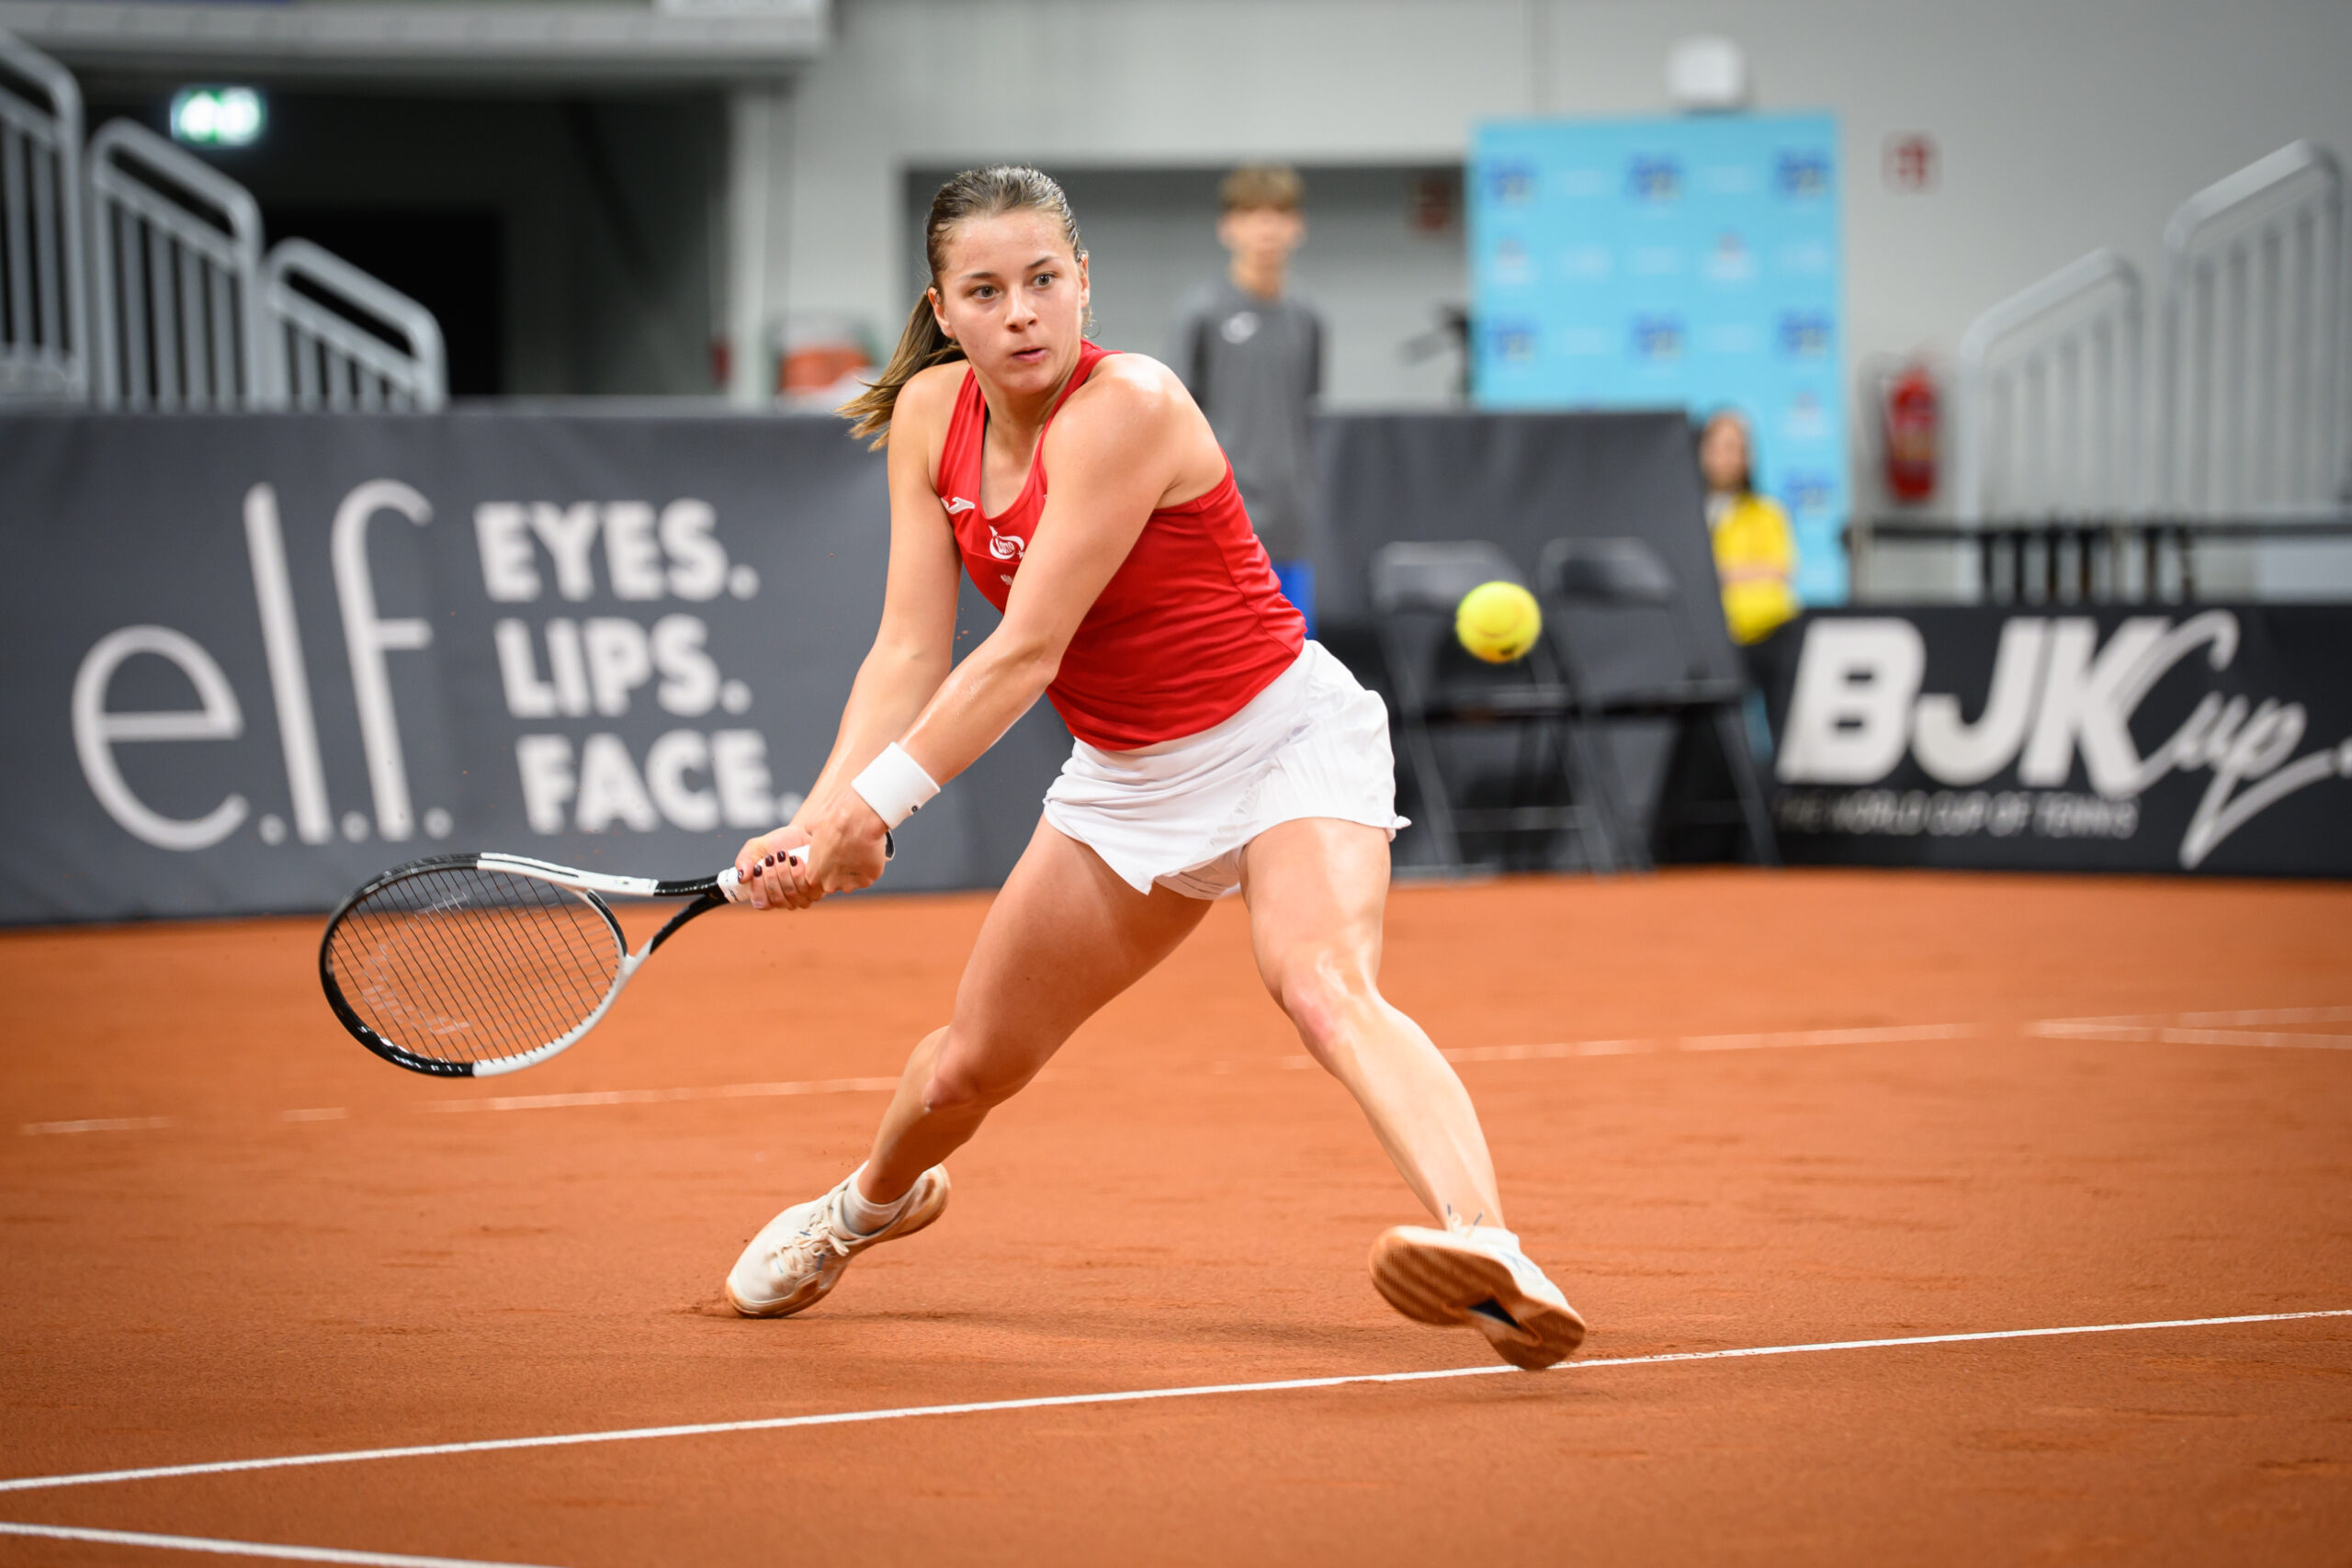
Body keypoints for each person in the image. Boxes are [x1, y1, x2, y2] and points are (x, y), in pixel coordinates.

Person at [719, 166, 1583, 1372]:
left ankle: (1492, 1250)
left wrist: (878, 806)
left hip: (1286, 736)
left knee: (1322, 979)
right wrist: (819, 820)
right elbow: (910, 647)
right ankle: (868, 1203)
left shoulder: (1129, 405)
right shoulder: (928, 420)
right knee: (974, 1061)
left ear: (1084, 285)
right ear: (944, 308)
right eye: (987, 289)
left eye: (1043, 280)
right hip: (1130, 780)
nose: (1021, 310)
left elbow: (1023, 652)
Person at [1167, 165, 1324, 637]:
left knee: (1296, 666)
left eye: (1279, 214)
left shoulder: (1309, 318)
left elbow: (1307, 405)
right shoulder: (1201, 312)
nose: (1266, 228)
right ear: (1227, 227)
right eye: (1252, 214)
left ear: (1298, 226)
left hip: (1292, 528)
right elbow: (1171, 422)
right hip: (1219, 528)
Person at [1697, 408, 1799, 646]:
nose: (1729, 458)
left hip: (1766, 630)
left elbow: (1780, 569)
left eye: (1737, 449)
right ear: (1701, 451)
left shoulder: (1767, 511)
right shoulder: (1685, 513)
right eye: (1720, 447)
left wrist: (1717, 575)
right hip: (1705, 633)